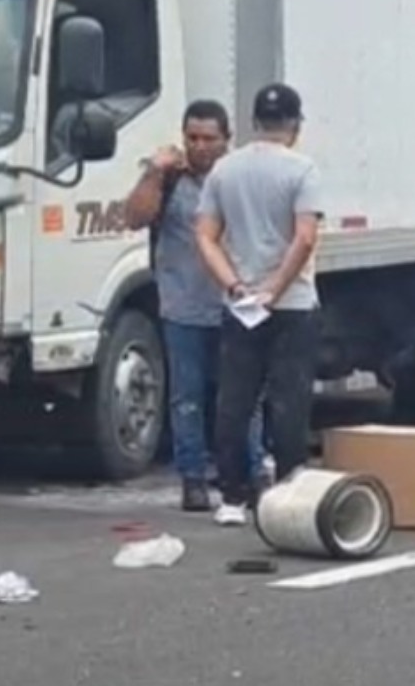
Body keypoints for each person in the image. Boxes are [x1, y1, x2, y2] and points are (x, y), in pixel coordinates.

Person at [123, 99, 265, 513]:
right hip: (183, 305)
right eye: (193, 138)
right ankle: (193, 479)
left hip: (236, 305)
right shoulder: (171, 181)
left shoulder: (237, 179)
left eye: (210, 139)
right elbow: (133, 217)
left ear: (227, 140)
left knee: (243, 396)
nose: (200, 146)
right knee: (187, 397)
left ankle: (249, 474)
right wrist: (155, 171)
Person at [194, 83, 324, 526]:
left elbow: (205, 237)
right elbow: (305, 237)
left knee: (235, 400)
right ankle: (288, 490)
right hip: (294, 303)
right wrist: (277, 286)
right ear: (295, 125)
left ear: (253, 124)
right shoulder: (303, 170)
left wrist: (234, 286)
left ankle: (232, 497)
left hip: (241, 304)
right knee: (289, 400)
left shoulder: (224, 171)